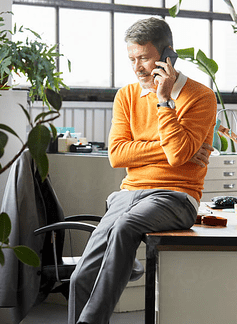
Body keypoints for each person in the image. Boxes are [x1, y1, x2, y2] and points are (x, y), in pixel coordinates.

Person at [68, 17, 217, 324]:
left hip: (177, 197)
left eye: (145, 58)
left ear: (167, 56)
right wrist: (178, 148)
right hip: (129, 193)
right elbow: (117, 154)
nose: (137, 68)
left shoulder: (200, 97)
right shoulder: (126, 96)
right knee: (80, 278)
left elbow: (178, 156)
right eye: (132, 59)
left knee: (125, 227)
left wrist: (163, 101)